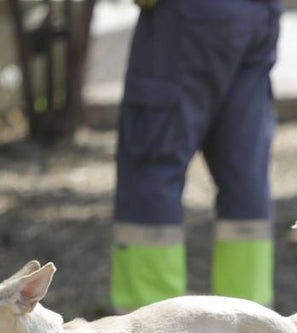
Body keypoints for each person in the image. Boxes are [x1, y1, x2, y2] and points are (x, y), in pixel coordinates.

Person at [111, 0, 281, 312]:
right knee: (245, 172)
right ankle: (249, 323)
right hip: (258, 14)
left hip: (186, 15)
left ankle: (151, 323)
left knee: (153, 166)